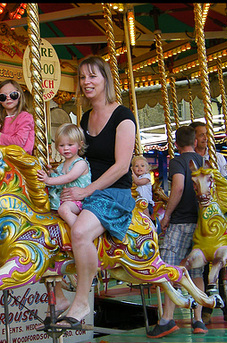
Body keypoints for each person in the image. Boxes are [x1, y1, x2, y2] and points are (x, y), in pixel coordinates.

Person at [51, 56, 137, 329]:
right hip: (87, 190)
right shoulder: (85, 118)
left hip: (113, 192)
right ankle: (59, 291)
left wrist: (85, 191)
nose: (86, 82)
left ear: (105, 80)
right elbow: (80, 157)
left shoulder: (123, 117)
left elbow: (122, 165)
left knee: (78, 231)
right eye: (82, 78)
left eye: (92, 76)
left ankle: (82, 300)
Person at [146, 126, 207, 338]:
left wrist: (167, 214)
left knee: (169, 267)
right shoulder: (203, 162)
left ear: (177, 143)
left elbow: (179, 187)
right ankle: (198, 319)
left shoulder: (178, 162)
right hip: (201, 224)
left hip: (182, 222)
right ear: (195, 141)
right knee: (196, 271)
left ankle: (167, 319)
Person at [190, 121, 227, 325]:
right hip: (199, 215)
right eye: (200, 134)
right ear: (193, 138)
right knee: (204, 264)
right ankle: (207, 308)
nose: (205, 138)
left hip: (218, 214)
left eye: (207, 134)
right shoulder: (194, 161)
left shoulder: (219, 159)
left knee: (226, 262)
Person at [37, 123, 92, 226]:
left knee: (64, 209)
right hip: (63, 200)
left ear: (79, 145)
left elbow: (69, 177)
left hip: (79, 201)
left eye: (70, 145)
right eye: (62, 145)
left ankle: (80, 231)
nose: (66, 148)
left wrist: (48, 180)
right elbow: (58, 180)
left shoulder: (81, 163)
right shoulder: (61, 166)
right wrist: (50, 174)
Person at [0, 79, 35, 154]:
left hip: (20, 158)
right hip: (5, 157)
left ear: (19, 96)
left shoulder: (25, 117)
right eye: (3, 97)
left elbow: (19, 142)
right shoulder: (1, 118)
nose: (8, 98)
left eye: (13, 95)